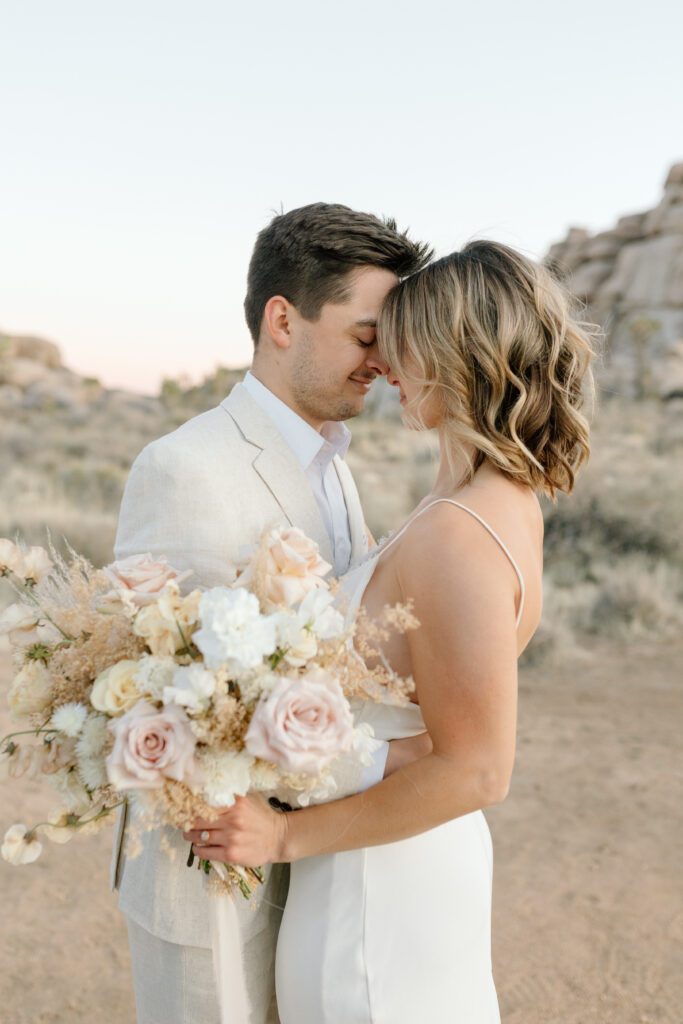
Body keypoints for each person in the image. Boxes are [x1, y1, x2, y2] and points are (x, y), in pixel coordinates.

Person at [184, 240, 595, 1022]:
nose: (383, 367)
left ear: (454, 353)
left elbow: (477, 770)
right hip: (387, 864)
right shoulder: (488, 497)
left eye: (396, 344)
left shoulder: (457, 532)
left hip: (378, 895)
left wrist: (279, 840)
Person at [111, 202, 432, 1024]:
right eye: (366, 335)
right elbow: (172, 706)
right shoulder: (185, 466)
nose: (383, 361)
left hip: (322, 862)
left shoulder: (335, 461)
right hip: (218, 880)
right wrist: (411, 768)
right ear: (282, 319)